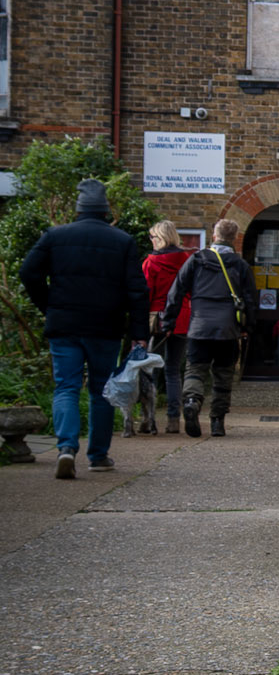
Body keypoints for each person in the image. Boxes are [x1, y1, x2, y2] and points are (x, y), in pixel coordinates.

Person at [20, 177, 150, 478]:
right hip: (105, 327)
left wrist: (48, 305)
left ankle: (66, 448)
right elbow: (137, 291)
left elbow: (29, 273)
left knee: (66, 386)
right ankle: (98, 456)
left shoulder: (55, 236)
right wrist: (139, 333)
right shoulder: (122, 241)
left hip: (64, 325)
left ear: (78, 209)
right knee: (101, 389)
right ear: (106, 210)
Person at [161, 218, 257, 437]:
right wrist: (248, 327)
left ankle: (193, 401)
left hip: (199, 327)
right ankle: (217, 422)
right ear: (234, 238)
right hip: (228, 330)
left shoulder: (196, 260)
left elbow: (175, 293)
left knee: (195, 370)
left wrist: (168, 323)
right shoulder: (240, 265)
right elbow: (251, 299)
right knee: (223, 376)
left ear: (214, 236)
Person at [140, 219, 192, 433]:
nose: (151, 241)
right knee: (173, 370)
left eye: (153, 237)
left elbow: (146, 293)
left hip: (157, 319)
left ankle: (149, 419)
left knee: (150, 369)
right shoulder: (186, 259)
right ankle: (173, 420)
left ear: (160, 238)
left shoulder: (150, 262)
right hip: (182, 318)